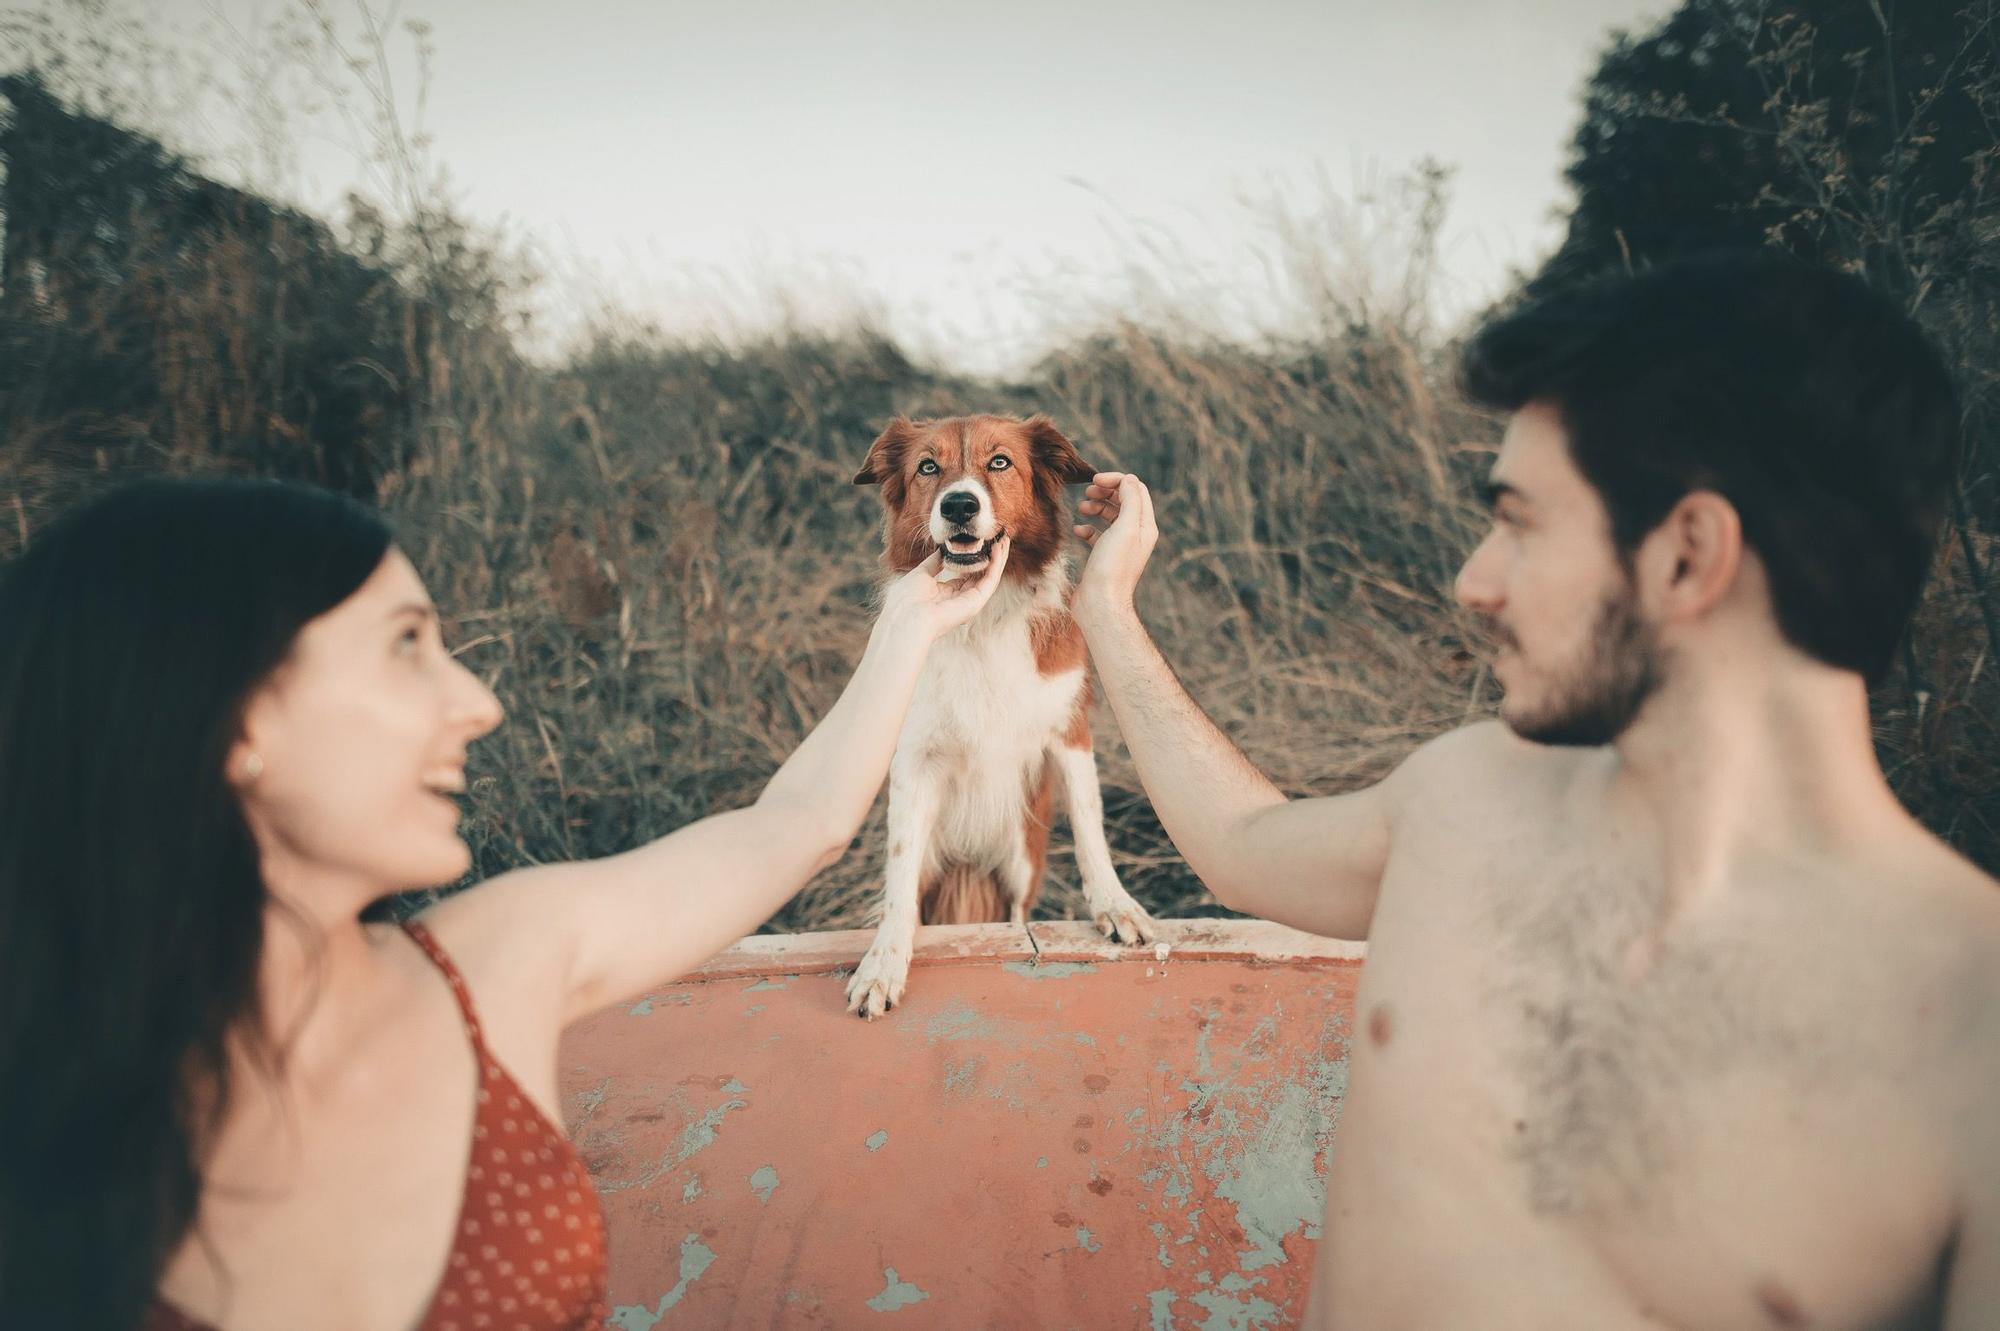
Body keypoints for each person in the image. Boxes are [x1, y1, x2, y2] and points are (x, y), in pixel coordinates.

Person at [1068, 252, 1999, 1328]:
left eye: (1516, 519)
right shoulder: (1462, 799)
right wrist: (1108, 612)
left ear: (1686, 556)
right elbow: (1238, 839)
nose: (1474, 579)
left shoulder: (1965, 1020)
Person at [0, 477, 1009, 1330]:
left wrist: (912, 616)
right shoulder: (42, 1120)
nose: (478, 701)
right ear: (233, 720)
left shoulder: (496, 959)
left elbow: (794, 822)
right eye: (405, 644)